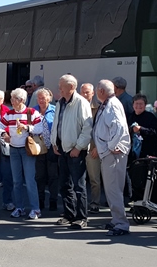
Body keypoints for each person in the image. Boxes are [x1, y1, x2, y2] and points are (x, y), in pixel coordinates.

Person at [0, 87, 43, 220]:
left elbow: (40, 128)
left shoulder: (31, 112)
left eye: (14, 98)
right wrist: (4, 133)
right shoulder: (9, 114)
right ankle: (19, 207)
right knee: (16, 181)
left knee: (30, 179)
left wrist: (27, 127)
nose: (11, 101)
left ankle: (35, 209)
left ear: (21, 100)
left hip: (27, 149)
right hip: (14, 149)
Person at [51, 74, 93, 229]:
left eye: (61, 85)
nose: (59, 88)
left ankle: (81, 217)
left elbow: (87, 128)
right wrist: (54, 143)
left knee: (79, 186)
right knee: (65, 185)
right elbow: (57, 124)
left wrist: (78, 147)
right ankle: (69, 215)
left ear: (71, 87)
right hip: (62, 149)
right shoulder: (60, 103)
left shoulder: (81, 103)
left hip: (75, 151)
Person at [92, 80, 131, 237]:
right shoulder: (109, 103)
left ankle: (121, 223)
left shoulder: (112, 105)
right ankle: (116, 219)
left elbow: (119, 127)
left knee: (113, 188)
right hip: (109, 152)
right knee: (111, 188)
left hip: (112, 153)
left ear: (101, 91)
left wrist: (109, 146)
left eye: (96, 89)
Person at [128, 94, 157, 202]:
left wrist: (141, 129)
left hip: (148, 153)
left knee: (150, 178)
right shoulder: (129, 117)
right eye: (136, 103)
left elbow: (156, 132)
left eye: (141, 104)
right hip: (134, 154)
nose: (138, 106)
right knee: (135, 178)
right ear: (133, 105)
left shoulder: (150, 117)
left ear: (145, 105)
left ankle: (154, 202)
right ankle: (137, 202)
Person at [33, 87, 59, 211]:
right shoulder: (32, 111)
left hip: (51, 147)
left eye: (43, 98)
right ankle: (40, 199)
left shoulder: (55, 110)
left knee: (53, 175)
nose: (41, 100)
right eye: (39, 98)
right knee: (40, 175)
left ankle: (53, 200)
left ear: (49, 98)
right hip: (37, 147)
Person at [81, 82, 102, 214]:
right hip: (78, 147)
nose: (84, 95)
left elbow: (100, 131)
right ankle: (80, 204)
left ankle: (95, 203)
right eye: (82, 92)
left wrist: (97, 147)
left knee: (94, 178)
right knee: (78, 179)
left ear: (93, 93)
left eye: (87, 92)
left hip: (93, 148)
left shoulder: (98, 108)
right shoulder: (77, 107)